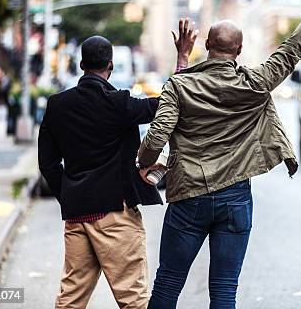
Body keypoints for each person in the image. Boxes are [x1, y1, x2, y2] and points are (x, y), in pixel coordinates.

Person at [137, 0, 301, 309]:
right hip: (235, 199)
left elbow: (158, 136)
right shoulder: (255, 83)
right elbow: (294, 47)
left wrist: (144, 163)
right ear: (239, 51)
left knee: (168, 285)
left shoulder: (179, 84)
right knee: (223, 290)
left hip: (188, 198)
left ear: (206, 45)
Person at [38, 25, 197, 309]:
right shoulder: (119, 103)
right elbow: (168, 106)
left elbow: (47, 163)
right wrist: (181, 61)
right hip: (115, 214)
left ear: (82, 65)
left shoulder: (57, 104)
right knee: (133, 299)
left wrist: (69, 194)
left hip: (77, 216)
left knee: (70, 299)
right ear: (110, 65)